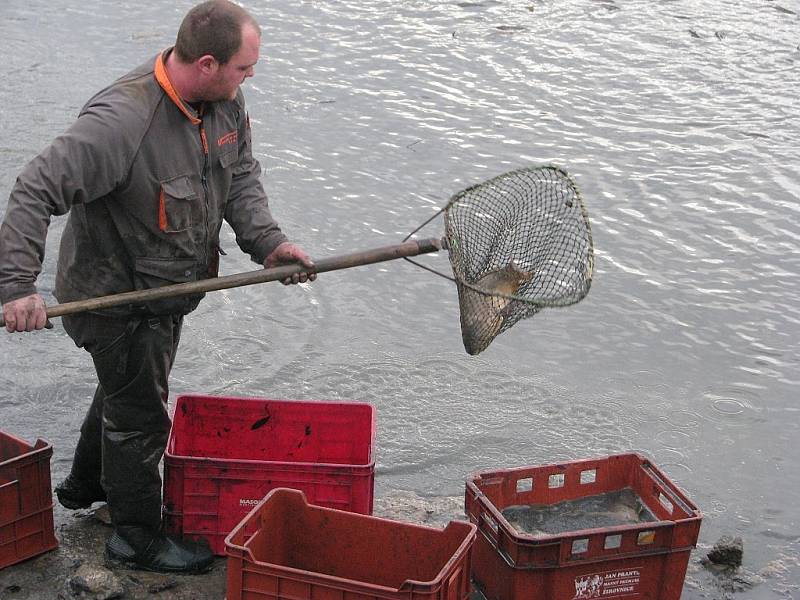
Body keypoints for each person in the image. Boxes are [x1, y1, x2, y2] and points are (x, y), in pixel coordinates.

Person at [0, 0, 316, 573]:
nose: (251, 78)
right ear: (206, 63)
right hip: (116, 300)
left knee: (128, 390)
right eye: (245, 68)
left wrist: (270, 243)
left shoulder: (225, 104)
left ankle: (85, 485)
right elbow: (33, 188)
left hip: (169, 289)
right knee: (142, 415)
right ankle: (136, 538)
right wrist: (17, 286)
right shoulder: (121, 122)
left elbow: (240, 177)